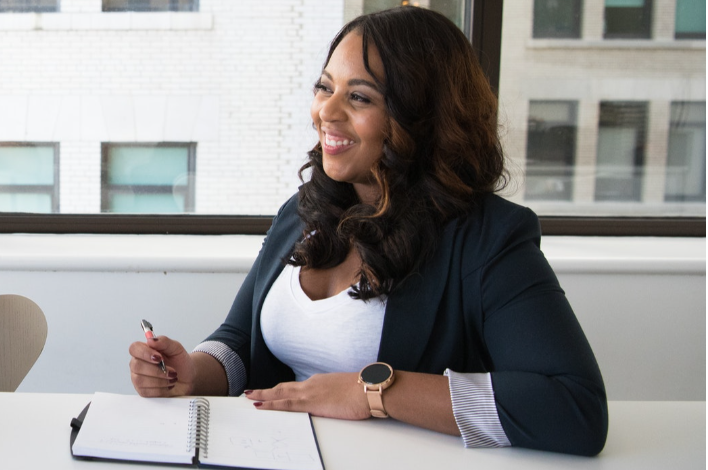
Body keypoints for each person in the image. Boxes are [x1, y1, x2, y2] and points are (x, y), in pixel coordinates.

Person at [127, 7, 607, 456]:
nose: (326, 112)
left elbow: (574, 407)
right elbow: (240, 341)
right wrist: (193, 371)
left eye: (358, 97)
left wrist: (374, 391)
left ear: (422, 117)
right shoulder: (303, 211)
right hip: (275, 455)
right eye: (324, 87)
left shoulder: (488, 237)